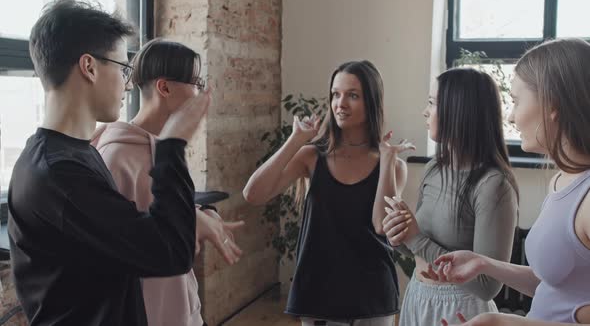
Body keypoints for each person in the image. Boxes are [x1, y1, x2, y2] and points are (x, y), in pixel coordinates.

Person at [7, 0, 210, 325]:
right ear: (89, 67)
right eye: (123, 68)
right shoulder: (59, 174)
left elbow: (134, 238)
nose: (128, 84)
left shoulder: (70, 154)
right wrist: (173, 142)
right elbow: (169, 251)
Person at [424, 38, 590, 325]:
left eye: (515, 101)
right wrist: (486, 265)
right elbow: (554, 288)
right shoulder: (561, 182)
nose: (511, 117)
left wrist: (500, 322)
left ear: (553, 103)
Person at [243, 60, 415, 325]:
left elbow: (382, 226)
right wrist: (295, 140)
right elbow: (253, 194)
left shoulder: (393, 165)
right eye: (336, 94)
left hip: (373, 294)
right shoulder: (311, 156)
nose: (340, 103)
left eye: (352, 95)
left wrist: (388, 160)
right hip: (318, 292)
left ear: (371, 102)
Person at [91, 38, 244, 326]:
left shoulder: (163, 148)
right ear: (165, 87)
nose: (201, 92)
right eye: (196, 82)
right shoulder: (117, 156)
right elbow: (129, 249)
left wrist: (198, 215)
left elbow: (163, 218)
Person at [382, 67, 519, 325]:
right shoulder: (434, 168)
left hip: (462, 310)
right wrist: (398, 235)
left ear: (459, 111)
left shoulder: (493, 185)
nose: (425, 111)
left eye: (432, 103)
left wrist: (415, 238)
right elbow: (417, 248)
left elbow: (488, 286)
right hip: (417, 297)